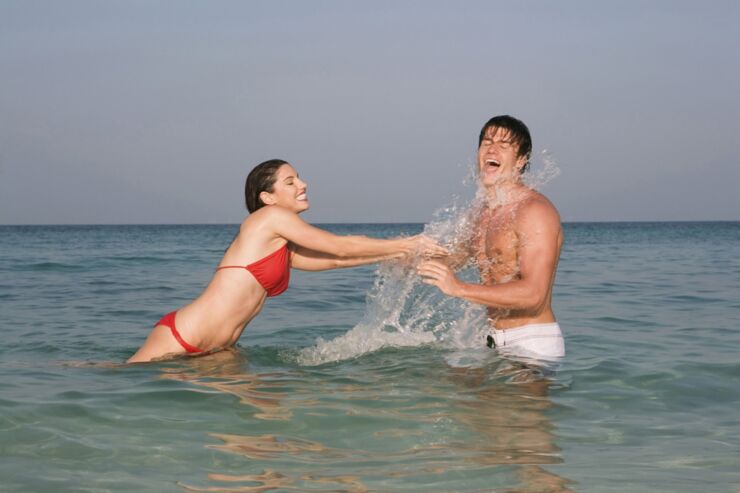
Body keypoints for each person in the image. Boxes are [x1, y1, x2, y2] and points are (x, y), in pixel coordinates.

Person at [128, 159, 446, 363]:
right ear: (268, 197)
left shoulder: (276, 244)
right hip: (182, 337)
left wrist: (399, 254)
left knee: (259, 422)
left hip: (218, 353)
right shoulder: (270, 217)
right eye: (290, 181)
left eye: (300, 178)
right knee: (119, 384)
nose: (303, 184)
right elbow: (338, 246)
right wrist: (409, 242)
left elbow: (334, 261)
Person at [417, 115, 564, 360]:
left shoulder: (534, 211)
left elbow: (534, 294)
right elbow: (452, 259)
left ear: (521, 160)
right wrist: (399, 254)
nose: (491, 148)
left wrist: (459, 288)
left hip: (531, 343)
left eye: (503, 145)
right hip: (493, 342)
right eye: (486, 142)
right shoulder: (482, 213)